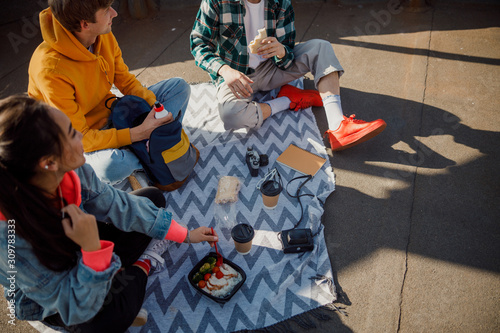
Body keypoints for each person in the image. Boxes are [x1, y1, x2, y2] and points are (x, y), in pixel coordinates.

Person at [0, 95, 218, 331]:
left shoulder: (73, 169)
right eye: (72, 133)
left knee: (153, 199)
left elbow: (117, 204)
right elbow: (74, 306)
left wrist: (185, 234)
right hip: (57, 296)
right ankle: (144, 263)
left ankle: (117, 276)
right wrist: (93, 249)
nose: (81, 136)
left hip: (81, 242)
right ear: (49, 163)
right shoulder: (10, 239)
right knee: (109, 319)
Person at [28, 0, 191, 185]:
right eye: (106, 10)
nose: (115, 13)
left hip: (114, 113)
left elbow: (126, 81)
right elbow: (81, 139)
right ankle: (149, 151)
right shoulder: (50, 70)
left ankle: (146, 149)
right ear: (85, 24)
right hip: (76, 140)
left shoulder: (101, 33)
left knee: (178, 88)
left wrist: (156, 109)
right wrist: (138, 133)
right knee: (114, 165)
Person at [190, 0, 386, 151]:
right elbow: (198, 43)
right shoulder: (215, 2)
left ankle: (338, 126)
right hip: (236, 76)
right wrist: (224, 71)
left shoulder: (280, 3)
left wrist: (282, 51)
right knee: (231, 116)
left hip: (272, 68)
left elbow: (289, 54)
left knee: (321, 47)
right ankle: (286, 100)